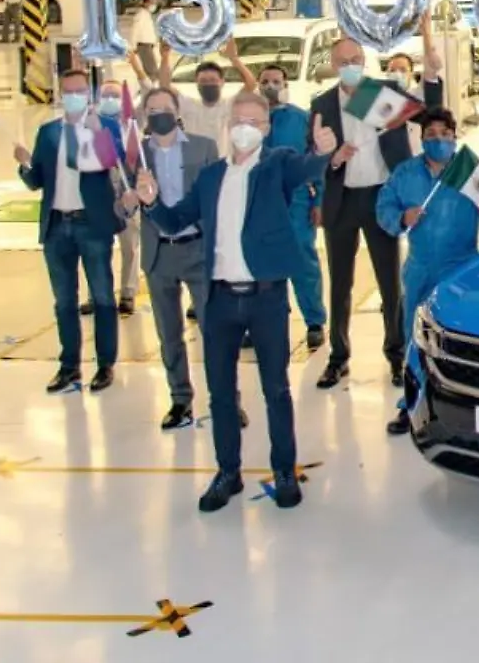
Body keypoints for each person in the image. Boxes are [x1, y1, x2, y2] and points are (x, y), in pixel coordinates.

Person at [137, 92, 338, 512]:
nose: (245, 127)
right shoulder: (211, 176)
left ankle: (284, 469)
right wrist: (151, 201)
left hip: (266, 298)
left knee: (276, 388)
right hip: (220, 300)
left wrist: (322, 154)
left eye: (254, 121)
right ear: (228, 125)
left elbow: (305, 168)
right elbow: (175, 220)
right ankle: (227, 472)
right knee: (221, 394)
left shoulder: (276, 164)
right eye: (239, 119)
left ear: (265, 129)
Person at [376, 108, 479, 434]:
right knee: (415, 338)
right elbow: (383, 205)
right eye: (431, 135)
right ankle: (410, 404)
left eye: (445, 134)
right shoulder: (405, 173)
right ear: (421, 139)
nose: (439, 140)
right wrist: (402, 218)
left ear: (454, 137)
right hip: (419, 269)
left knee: (465, 337)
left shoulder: (466, 171)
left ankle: (468, 403)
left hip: (461, 269)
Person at [310, 36, 444, 389]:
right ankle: (338, 357)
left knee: (389, 281)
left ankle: (396, 355)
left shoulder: (382, 94)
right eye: (343, 61)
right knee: (340, 283)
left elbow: (431, 115)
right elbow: (312, 157)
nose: (350, 66)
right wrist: (333, 159)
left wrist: (432, 76)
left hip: (381, 198)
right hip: (341, 200)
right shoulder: (322, 104)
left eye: (356, 59)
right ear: (333, 65)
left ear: (364, 60)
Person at [118, 87, 233, 432]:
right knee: (169, 334)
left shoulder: (203, 147)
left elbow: (218, 197)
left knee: (215, 331)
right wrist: (128, 202)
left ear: (177, 109)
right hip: (159, 254)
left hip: (198, 248)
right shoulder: (135, 157)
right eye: (151, 110)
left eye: (164, 108)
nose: (159, 115)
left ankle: (227, 401)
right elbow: (121, 207)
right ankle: (180, 399)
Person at [16, 69, 126, 394]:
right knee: (64, 300)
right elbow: (37, 180)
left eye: (80, 91)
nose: (74, 96)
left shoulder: (104, 127)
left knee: (103, 296)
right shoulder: (49, 132)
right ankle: (69, 365)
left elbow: (116, 162)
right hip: (56, 225)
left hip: (92, 223)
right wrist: (24, 164)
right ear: (60, 94)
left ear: (89, 94)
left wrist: (98, 133)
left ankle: (105, 363)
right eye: (68, 91)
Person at [258, 62, 327, 351]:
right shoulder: (250, 121)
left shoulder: (302, 119)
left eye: (276, 81)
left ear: (286, 85)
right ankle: (269, 321)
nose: (270, 87)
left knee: (302, 261)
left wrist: (318, 200)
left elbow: (316, 160)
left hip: (297, 201)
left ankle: (314, 321)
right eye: (265, 81)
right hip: (261, 203)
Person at [97, 80, 138, 318]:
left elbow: (137, 159)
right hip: (101, 193)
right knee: (98, 249)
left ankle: (127, 293)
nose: (110, 100)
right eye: (106, 95)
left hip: (126, 191)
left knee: (129, 247)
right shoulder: (93, 125)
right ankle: (97, 294)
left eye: (115, 95)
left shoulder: (131, 127)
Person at [127, 0, 161, 84]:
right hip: (144, 45)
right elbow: (135, 30)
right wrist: (133, 46)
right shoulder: (141, 14)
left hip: (149, 45)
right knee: (151, 70)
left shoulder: (147, 14)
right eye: (151, 2)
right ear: (145, 3)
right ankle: (152, 87)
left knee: (152, 68)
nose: (153, 5)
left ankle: (152, 85)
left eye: (155, 3)